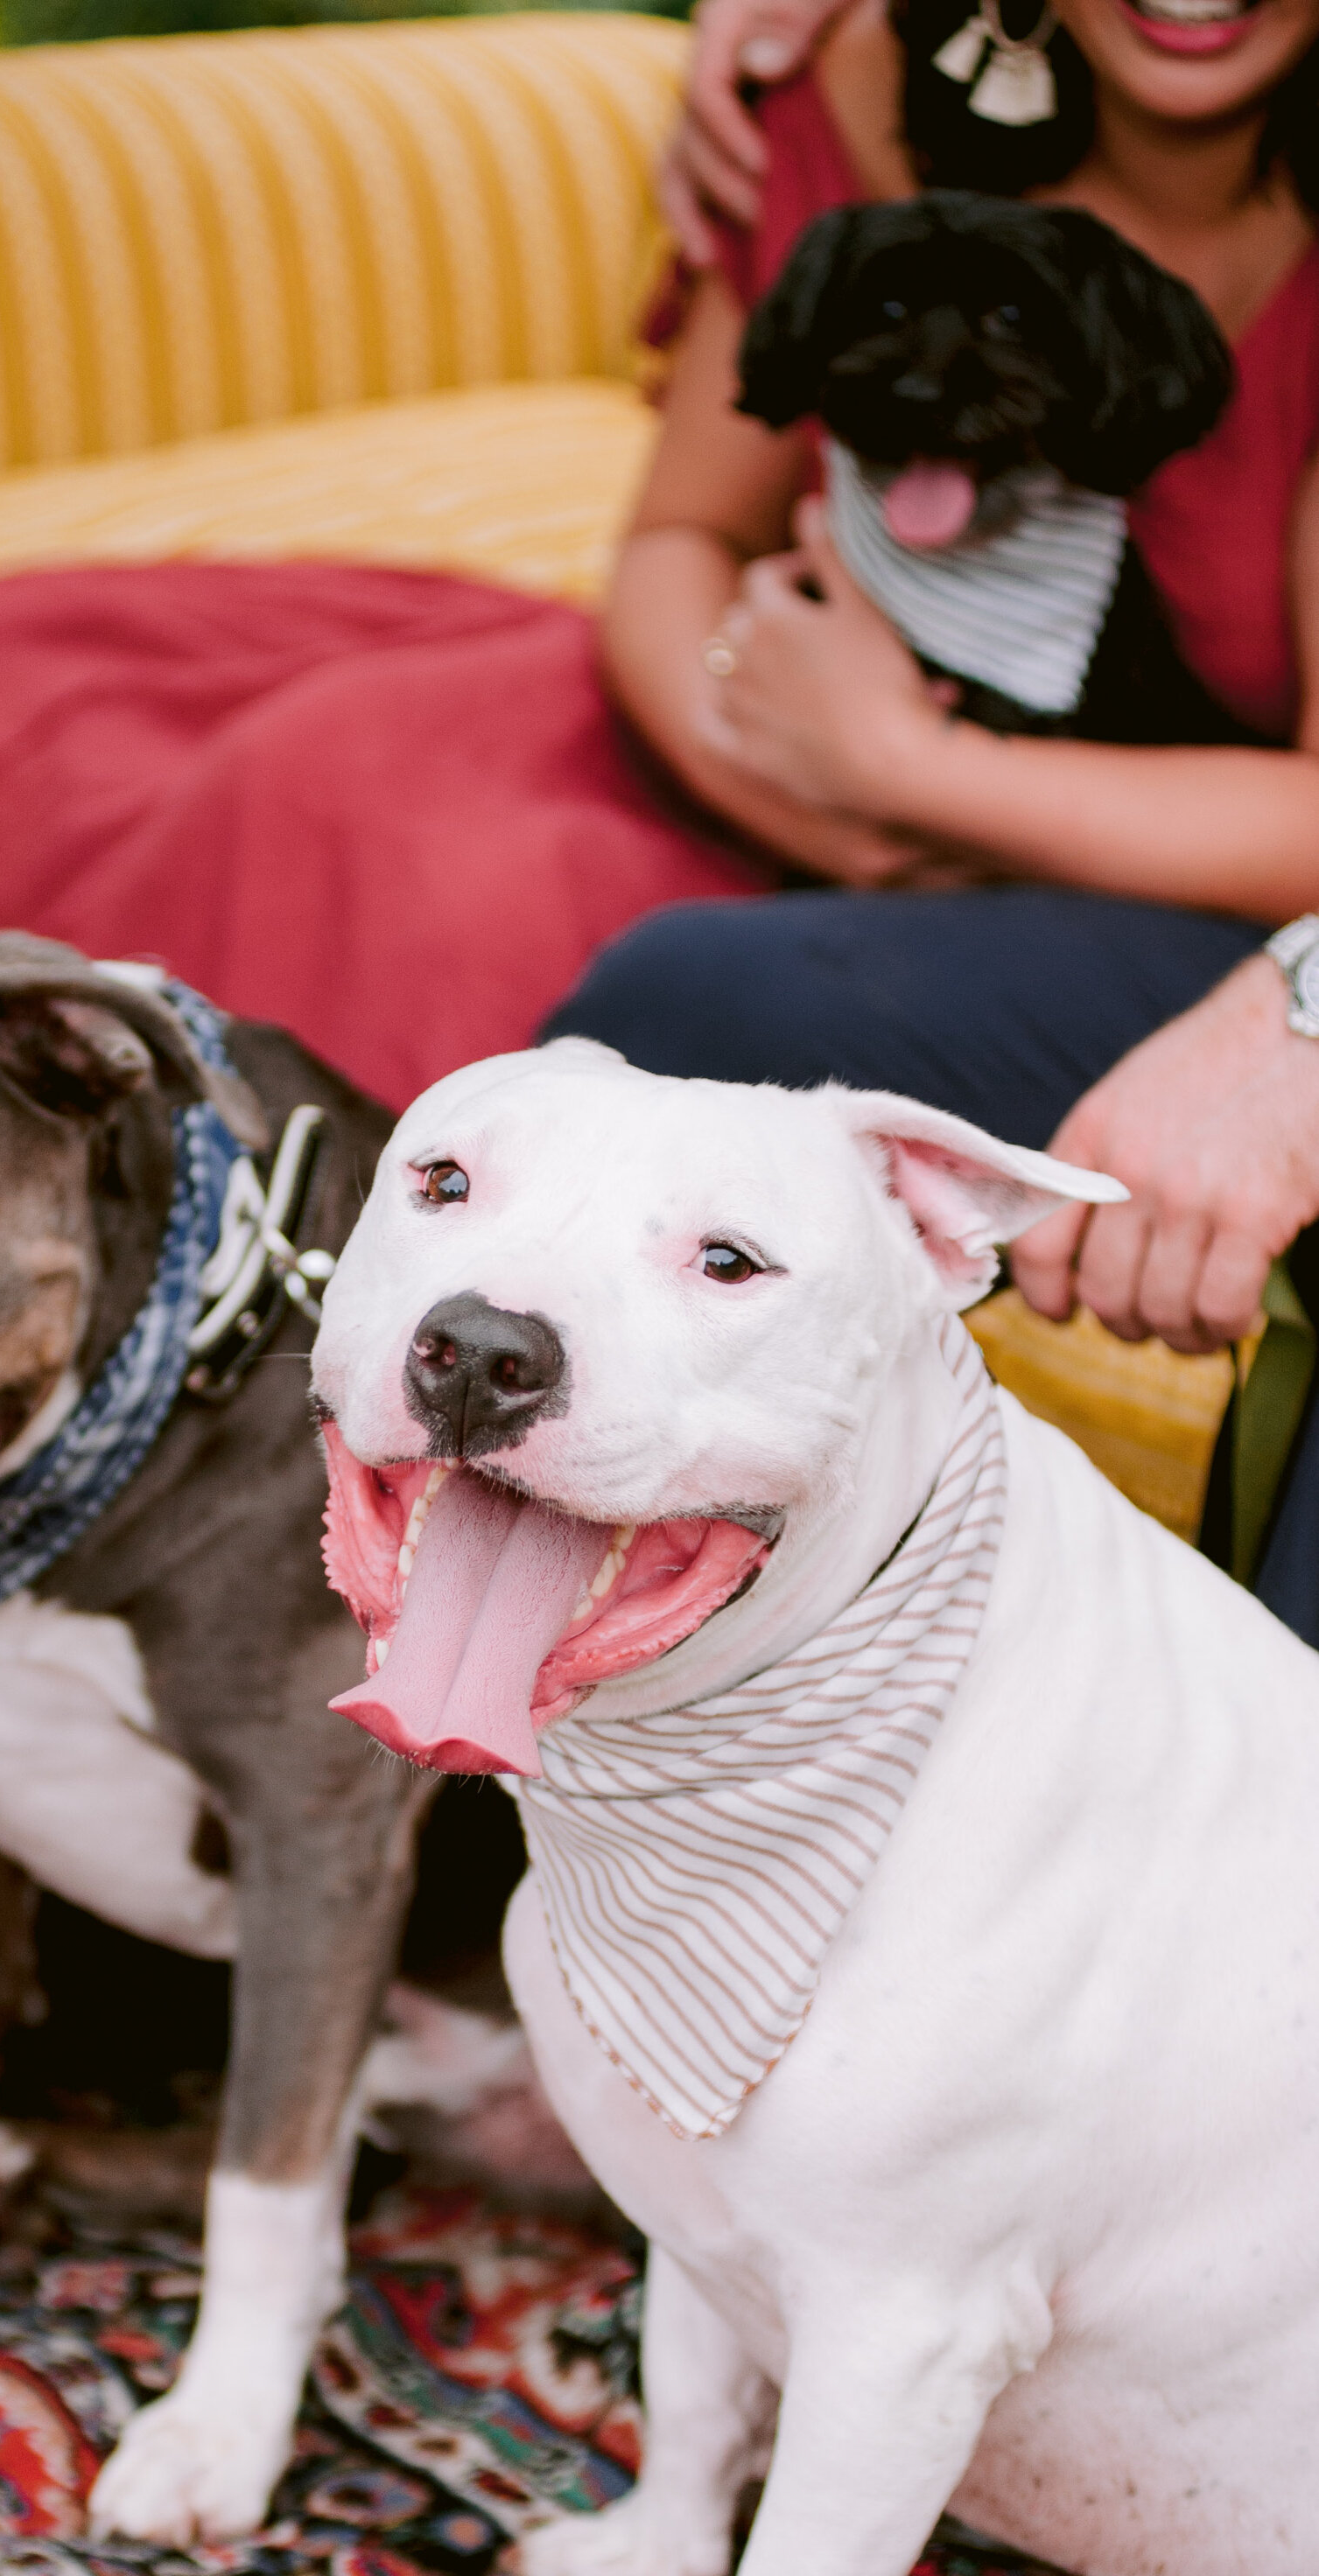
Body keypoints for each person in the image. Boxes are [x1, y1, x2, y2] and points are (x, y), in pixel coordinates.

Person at [542, 0, 1319, 1634]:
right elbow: (686, 533)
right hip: (1039, 861)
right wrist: (805, 778)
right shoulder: (864, 72)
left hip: (1227, 885)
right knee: (634, 991)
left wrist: (908, 773)